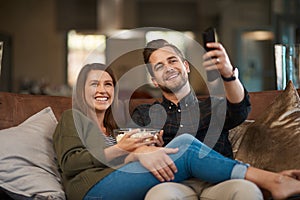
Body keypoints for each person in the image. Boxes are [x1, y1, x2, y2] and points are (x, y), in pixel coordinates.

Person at [52, 63, 300, 200]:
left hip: (114, 184)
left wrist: (142, 150)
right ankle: (273, 179)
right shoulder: (73, 118)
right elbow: (72, 163)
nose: (103, 89)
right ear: (80, 92)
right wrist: (124, 150)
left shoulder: (114, 127)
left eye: (108, 84)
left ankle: (272, 179)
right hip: (90, 191)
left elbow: (122, 161)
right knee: (186, 146)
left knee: (181, 147)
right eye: (94, 84)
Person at [129, 39, 261, 199]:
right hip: (174, 184)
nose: (168, 68)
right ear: (154, 81)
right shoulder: (144, 113)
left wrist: (227, 74)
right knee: (159, 196)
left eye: (172, 60)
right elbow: (130, 150)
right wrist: (148, 149)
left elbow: (240, 110)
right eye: (159, 66)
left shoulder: (214, 106)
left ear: (186, 66)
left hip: (218, 182)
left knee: (247, 190)